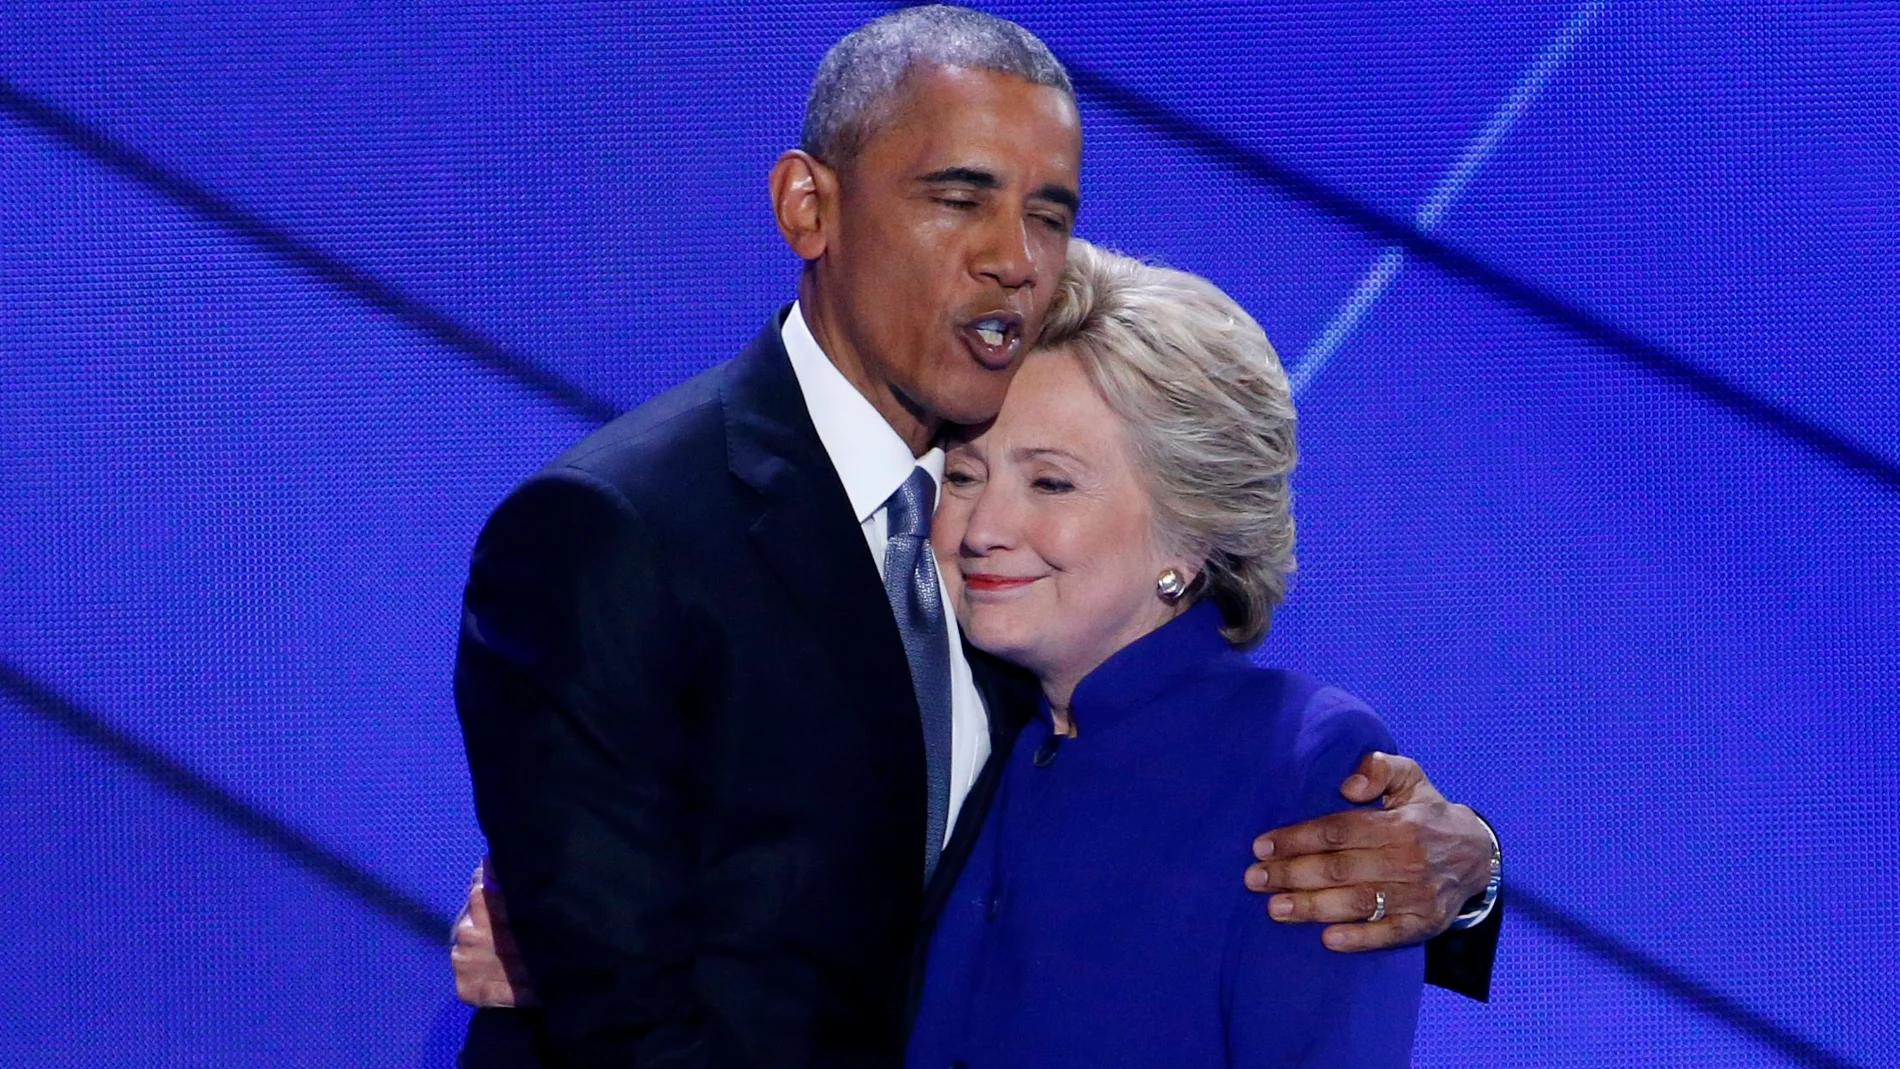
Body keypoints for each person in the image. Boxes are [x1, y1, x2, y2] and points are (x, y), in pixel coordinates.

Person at [451, 8, 1500, 1066]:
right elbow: (626, 989)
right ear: (808, 206)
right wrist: (559, 942)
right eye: (958, 197)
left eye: (1047, 215)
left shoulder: (1053, 639)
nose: (1011, 257)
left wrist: (1470, 873)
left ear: (1191, 528)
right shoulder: (617, 531)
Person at [907, 239, 1419, 1066]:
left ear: (1188, 533)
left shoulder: (1304, 766)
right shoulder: (934, 710)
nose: (984, 529)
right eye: (964, 476)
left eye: (1050, 483)